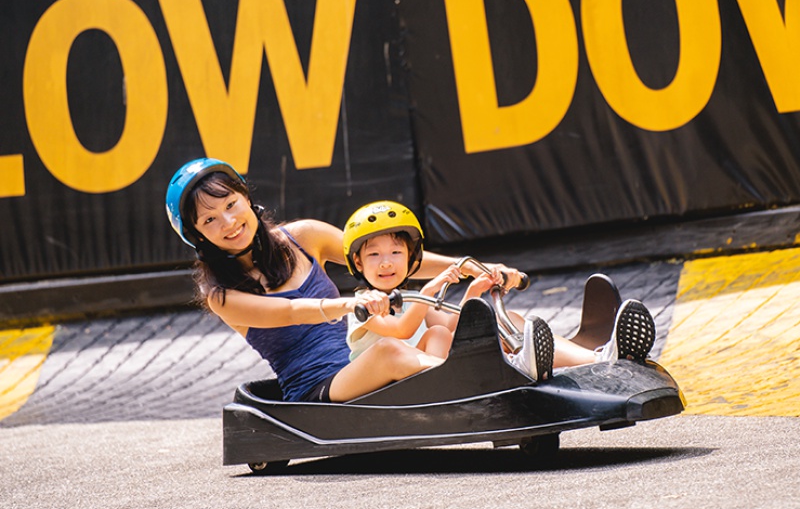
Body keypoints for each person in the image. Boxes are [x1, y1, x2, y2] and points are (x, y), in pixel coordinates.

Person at [164, 158, 538, 404]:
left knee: (440, 334)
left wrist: (473, 266)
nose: (228, 223)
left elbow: (385, 260)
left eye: (230, 205)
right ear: (197, 235)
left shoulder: (304, 236)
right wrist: (351, 304)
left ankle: (554, 363)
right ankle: (494, 383)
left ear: (245, 198)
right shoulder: (220, 295)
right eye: (209, 220)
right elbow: (293, 311)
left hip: (359, 366)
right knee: (390, 350)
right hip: (319, 391)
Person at [341, 201, 555, 379]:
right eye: (374, 255)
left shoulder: (411, 298)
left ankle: (512, 365)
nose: (386, 263)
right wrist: (429, 290)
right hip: (381, 386)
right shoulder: (363, 304)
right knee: (436, 334)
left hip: (416, 377)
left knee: (443, 332)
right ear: (358, 263)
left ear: (410, 257)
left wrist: (473, 291)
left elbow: (451, 324)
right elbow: (401, 330)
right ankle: (455, 377)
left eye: (396, 252)